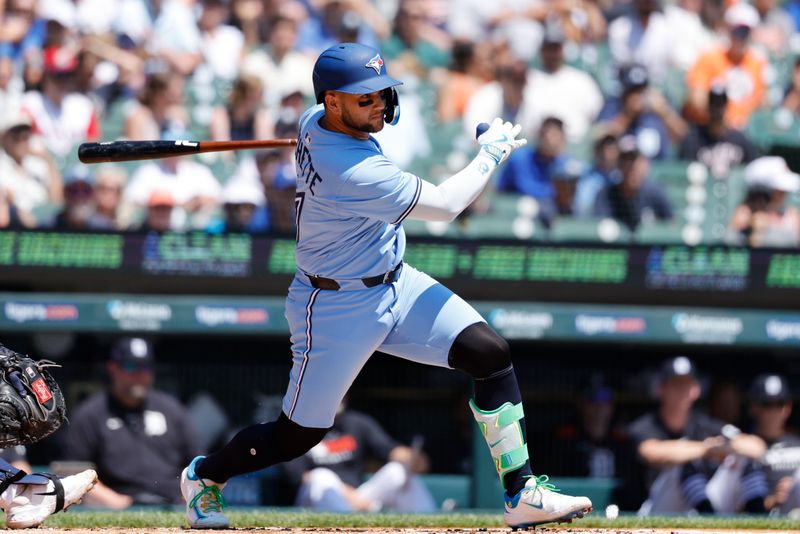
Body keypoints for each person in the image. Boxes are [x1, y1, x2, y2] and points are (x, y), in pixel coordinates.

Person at [178, 42, 592, 530]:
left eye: (380, 94)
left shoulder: (316, 120)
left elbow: (318, 123)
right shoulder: (351, 169)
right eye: (364, 98)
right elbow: (444, 206)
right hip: (334, 306)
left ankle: (521, 492)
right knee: (297, 437)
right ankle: (205, 476)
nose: (379, 105)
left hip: (397, 281)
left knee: (489, 352)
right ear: (333, 101)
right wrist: (490, 155)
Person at [64, 337, 201, 509]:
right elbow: (74, 472)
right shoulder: (90, 414)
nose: (139, 375)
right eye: (130, 367)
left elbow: (197, 464)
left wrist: (186, 497)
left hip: (172, 503)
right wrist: (115, 502)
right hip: (118, 503)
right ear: (113, 368)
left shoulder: (173, 410)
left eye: (145, 368)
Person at [627, 356, 767, 515]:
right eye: (675, 385)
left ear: (696, 390)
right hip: (656, 509)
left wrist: (725, 449)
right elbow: (650, 452)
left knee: (740, 457)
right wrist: (706, 449)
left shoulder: (705, 424)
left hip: (701, 502)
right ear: (661, 388)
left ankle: (760, 519)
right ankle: (707, 517)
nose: (681, 392)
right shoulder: (645, 425)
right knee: (680, 461)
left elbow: (756, 446)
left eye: (686, 385)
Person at [283, 400, 436, 512]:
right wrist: (349, 496)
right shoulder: (298, 426)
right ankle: (350, 526)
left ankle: (430, 527)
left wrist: (413, 459)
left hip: (358, 498)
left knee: (399, 471)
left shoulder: (357, 422)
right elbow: (302, 477)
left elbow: (388, 449)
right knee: (321, 476)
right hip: (314, 500)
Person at [684, 2, 766, 130]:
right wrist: (725, 120)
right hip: (712, 130)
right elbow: (696, 100)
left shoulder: (757, 63)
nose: (741, 37)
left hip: (745, 132)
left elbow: (763, 103)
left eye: (746, 32)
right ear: (728, 29)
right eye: (738, 31)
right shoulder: (710, 58)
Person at [595, 63, 687, 161]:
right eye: (632, 92)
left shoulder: (659, 105)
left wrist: (663, 112)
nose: (637, 96)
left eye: (641, 91)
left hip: (658, 168)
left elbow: (682, 134)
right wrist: (628, 115)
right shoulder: (614, 106)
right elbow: (601, 137)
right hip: (622, 169)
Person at [746, 374, 800, 515]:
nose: (774, 412)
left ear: (787, 407)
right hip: (769, 513)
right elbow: (737, 505)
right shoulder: (747, 446)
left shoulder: (797, 442)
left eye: (779, 404)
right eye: (767, 404)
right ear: (753, 407)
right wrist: (773, 499)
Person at [593, 135, 673, 231]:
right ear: (618, 164)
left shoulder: (655, 193)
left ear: (645, 164)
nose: (631, 167)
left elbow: (671, 225)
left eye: (634, 161)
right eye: (625, 160)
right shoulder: (606, 195)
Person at [679, 85, 758, 181]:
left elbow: (753, 169)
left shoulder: (740, 140)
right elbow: (684, 171)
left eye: (720, 104)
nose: (716, 109)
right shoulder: (694, 139)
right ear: (708, 106)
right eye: (713, 103)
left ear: (726, 106)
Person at [728, 156, 800, 247]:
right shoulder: (743, 215)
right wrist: (755, 232)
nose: (784, 193)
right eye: (779, 190)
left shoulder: (792, 216)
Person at [496, 116, 569, 200]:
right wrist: (557, 191)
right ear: (541, 136)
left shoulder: (562, 162)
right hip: (510, 203)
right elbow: (526, 188)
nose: (554, 141)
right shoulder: (520, 157)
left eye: (558, 136)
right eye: (552, 135)